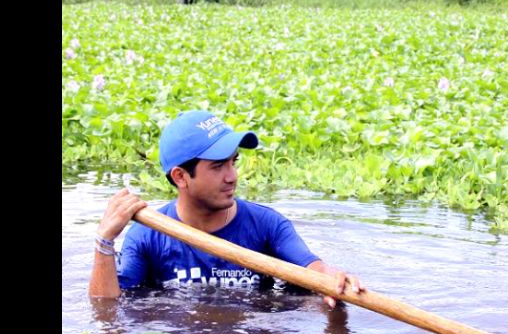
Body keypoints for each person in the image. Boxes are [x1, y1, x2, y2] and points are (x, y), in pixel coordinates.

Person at [89, 110, 364, 308]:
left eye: (234, 162)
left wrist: (331, 280)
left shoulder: (267, 224)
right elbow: (106, 310)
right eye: (218, 166)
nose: (232, 176)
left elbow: (311, 267)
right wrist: (104, 242)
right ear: (180, 177)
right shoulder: (147, 236)